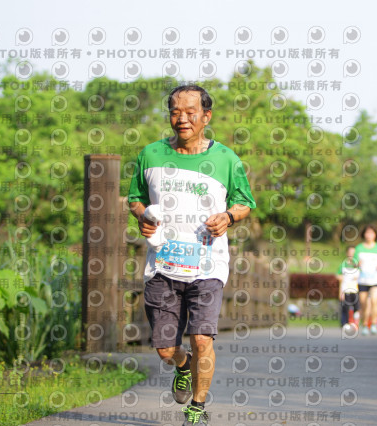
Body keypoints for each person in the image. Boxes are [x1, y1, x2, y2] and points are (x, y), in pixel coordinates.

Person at [128, 85, 256, 425]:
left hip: (208, 266)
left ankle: (197, 407)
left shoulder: (227, 159)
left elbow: (245, 203)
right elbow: (135, 198)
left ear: (206, 116)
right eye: (175, 112)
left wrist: (228, 217)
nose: (182, 119)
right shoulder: (150, 154)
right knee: (165, 350)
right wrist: (143, 216)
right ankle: (182, 366)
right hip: (162, 266)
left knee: (201, 339)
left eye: (190, 112)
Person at [355, 224, 377, 336]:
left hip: (376, 279)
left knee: (374, 300)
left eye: (371, 233)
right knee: (364, 303)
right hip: (363, 280)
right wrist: (357, 264)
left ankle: (374, 324)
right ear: (364, 234)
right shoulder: (359, 248)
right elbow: (354, 262)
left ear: (375, 234)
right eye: (367, 233)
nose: (369, 235)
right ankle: (365, 325)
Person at [336, 246, 360, 329]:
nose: (352, 255)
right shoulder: (343, 265)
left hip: (356, 290)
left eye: (354, 253)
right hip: (346, 290)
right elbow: (338, 276)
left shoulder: (359, 266)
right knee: (345, 307)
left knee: (357, 308)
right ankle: (344, 323)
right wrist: (340, 292)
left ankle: (355, 322)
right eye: (350, 252)